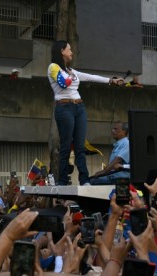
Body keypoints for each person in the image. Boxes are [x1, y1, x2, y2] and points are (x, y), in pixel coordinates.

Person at [47, 40, 123, 186]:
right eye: (69, 49)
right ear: (62, 51)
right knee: (66, 146)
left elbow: (89, 76)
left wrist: (110, 80)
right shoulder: (53, 67)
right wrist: (70, 74)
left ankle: (84, 180)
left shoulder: (71, 70)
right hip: (64, 108)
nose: (72, 52)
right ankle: (62, 181)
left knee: (80, 147)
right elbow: (63, 83)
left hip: (79, 108)